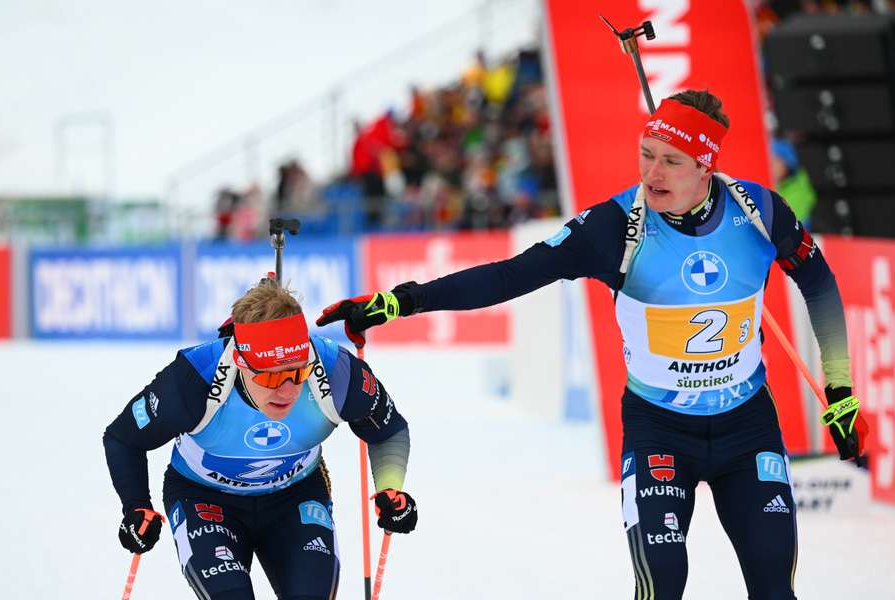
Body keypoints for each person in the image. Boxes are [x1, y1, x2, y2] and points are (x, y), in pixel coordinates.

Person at [317, 89, 868, 600]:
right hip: (660, 433)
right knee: (661, 585)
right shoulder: (613, 228)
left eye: (671, 161)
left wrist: (839, 390)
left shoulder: (760, 213)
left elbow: (817, 281)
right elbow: (509, 276)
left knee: (775, 585)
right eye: (646, 153)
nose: (652, 172)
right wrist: (401, 301)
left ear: (707, 165)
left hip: (748, 430)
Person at [104, 279, 417, 600]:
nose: (287, 390)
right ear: (241, 362)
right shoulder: (195, 379)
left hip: (295, 498)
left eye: (297, 373)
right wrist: (137, 506)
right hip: (205, 500)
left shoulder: (336, 371)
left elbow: (388, 429)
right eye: (271, 377)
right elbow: (122, 438)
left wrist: (390, 487)